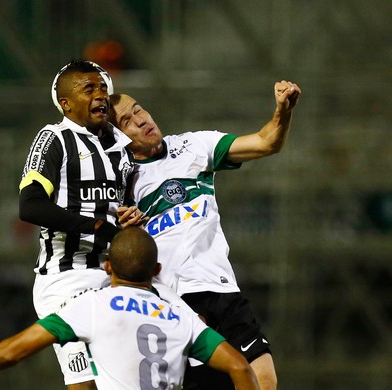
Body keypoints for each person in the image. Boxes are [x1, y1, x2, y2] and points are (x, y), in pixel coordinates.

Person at [109, 80, 301, 390]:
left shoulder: (194, 146)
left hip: (220, 287)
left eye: (138, 109)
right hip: (174, 301)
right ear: (117, 138)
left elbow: (267, 143)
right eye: (126, 121)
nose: (141, 120)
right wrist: (117, 226)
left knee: (264, 379)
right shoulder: (120, 181)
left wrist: (283, 111)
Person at [0, 228, 261, 390]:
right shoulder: (181, 316)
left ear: (108, 267)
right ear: (157, 270)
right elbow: (240, 368)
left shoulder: (92, 306)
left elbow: (17, 350)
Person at [18, 59, 137, 389]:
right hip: (66, 281)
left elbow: (121, 208)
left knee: (124, 378)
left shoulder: (120, 148)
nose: (100, 94)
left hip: (112, 279)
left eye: (102, 88)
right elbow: (30, 206)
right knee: (85, 383)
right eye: (89, 89)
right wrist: (97, 227)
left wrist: (127, 217)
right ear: (66, 104)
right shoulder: (54, 138)